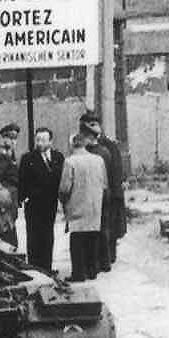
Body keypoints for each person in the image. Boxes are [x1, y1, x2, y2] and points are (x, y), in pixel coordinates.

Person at [58, 132, 110, 282]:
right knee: (92, 238)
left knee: (77, 241)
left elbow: (64, 188)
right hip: (94, 206)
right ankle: (92, 270)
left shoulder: (70, 162)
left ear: (72, 144)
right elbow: (104, 184)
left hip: (77, 207)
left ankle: (78, 274)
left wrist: (63, 202)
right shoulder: (98, 160)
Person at [79, 111, 127, 272]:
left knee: (108, 226)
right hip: (90, 193)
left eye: (94, 124)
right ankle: (96, 259)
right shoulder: (83, 146)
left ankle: (107, 258)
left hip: (108, 192)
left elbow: (116, 170)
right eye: (88, 125)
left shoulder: (108, 145)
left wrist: (115, 193)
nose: (92, 128)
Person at [17, 127, 65, 272]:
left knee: (48, 235)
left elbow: (62, 180)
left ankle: (47, 268)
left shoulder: (58, 157)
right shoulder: (28, 158)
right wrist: (23, 199)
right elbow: (22, 181)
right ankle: (35, 268)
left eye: (43, 140)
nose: (39, 143)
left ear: (50, 141)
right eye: (37, 139)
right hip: (33, 205)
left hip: (50, 204)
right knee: (33, 236)